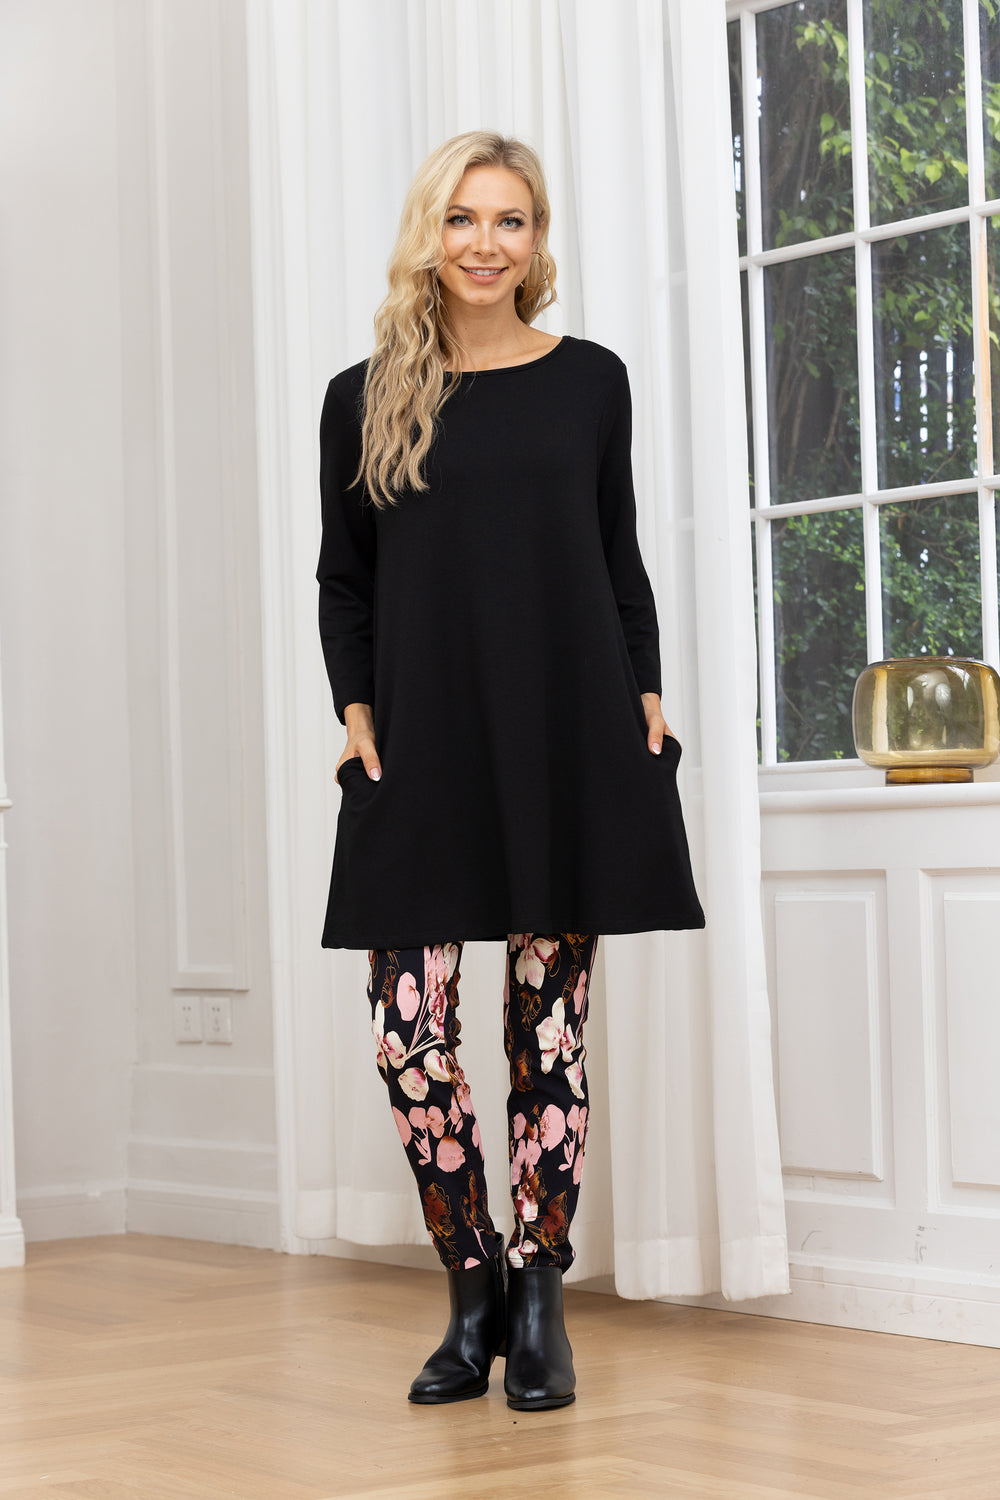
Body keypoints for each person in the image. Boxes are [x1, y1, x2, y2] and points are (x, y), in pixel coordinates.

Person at [316, 131, 705, 1411]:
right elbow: (344, 580)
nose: (486, 243)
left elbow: (615, 555)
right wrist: (355, 712)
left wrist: (643, 696)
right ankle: (468, 1283)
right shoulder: (361, 396)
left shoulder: (590, 381)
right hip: (421, 742)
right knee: (409, 1035)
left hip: (563, 731)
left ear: (536, 240)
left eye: (512, 220)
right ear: (428, 233)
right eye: (463, 218)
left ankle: (538, 1299)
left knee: (549, 1033)